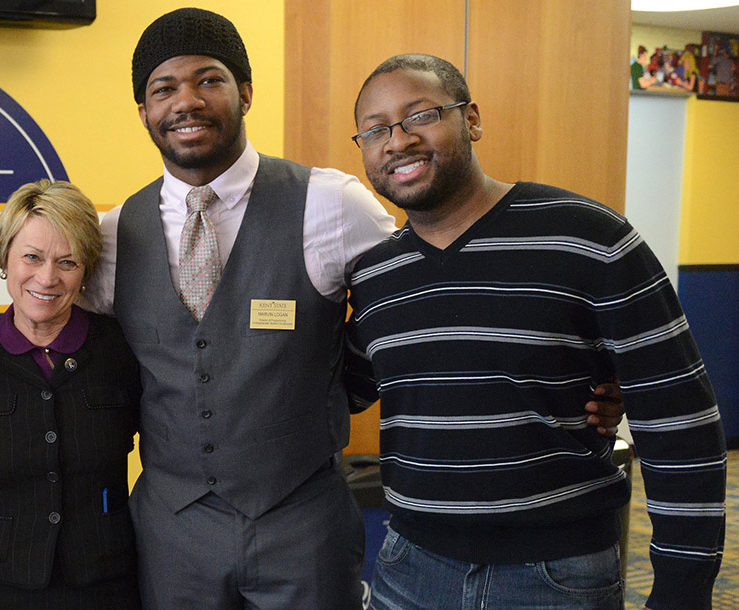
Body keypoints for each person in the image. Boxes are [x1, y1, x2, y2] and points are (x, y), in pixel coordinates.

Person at [84, 9, 626, 609]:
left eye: (209, 80)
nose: (186, 101)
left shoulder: (331, 203)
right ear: (143, 111)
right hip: (171, 532)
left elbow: (428, 294)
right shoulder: (110, 239)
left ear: (245, 92)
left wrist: (590, 373)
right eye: (163, 88)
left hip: (301, 521)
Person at [345, 53, 725, 610]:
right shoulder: (376, 275)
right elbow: (340, 388)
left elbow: (679, 419)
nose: (396, 141)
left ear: (471, 120)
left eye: (420, 116)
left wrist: (683, 588)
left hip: (557, 575)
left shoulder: (589, 238)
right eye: (375, 129)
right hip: (410, 569)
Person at [0, 180, 143, 609]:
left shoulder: (121, 351)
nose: (47, 277)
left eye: (67, 262)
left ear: (86, 270)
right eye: (31, 257)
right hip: (4, 585)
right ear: (4, 258)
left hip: (109, 583)